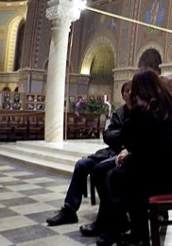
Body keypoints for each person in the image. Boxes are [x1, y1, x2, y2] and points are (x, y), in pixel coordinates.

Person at [103, 68, 172, 246]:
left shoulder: (144, 111)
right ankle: (128, 234)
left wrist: (132, 110)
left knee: (115, 178)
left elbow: (128, 141)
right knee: (126, 175)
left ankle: (136, 239)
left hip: (154, 179)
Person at [46, 81, 131, 228]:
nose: (129, 93)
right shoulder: (119, 113)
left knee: (101, 170)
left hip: (126, 155)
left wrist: (121, 137)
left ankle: (109, 217)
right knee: (82, 164)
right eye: (126, 90)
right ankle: (69, 210)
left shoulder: (140, 112)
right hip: (111, 151)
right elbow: (107, 135)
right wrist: (123, 134)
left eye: (132, 90)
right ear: (122, 95)